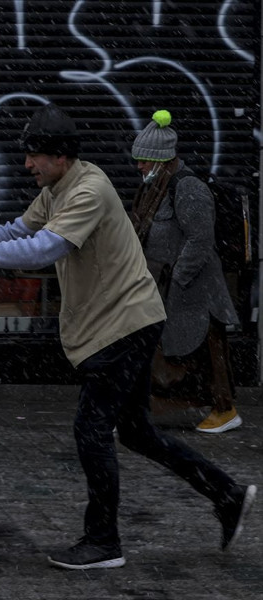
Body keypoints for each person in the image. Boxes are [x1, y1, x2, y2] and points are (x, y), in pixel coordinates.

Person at [0, 103, 256, 570]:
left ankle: (104, 541)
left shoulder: (89, 189)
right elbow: (20, 229)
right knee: (138, 433)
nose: (27, 165)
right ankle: (227, 494)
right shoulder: (57, 187)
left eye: (35, 156)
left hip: (123, 325)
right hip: (122, 323)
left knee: (92, 428)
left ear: (61, 156)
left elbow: (45, 248)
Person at [129, 110, 242, 434]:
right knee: (171, 352)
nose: (139, 166)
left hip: (196, 292)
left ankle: (225, 410)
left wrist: (178, 277)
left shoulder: (187, 187)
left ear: (162, 160)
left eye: (144, 160)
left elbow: (201, 239)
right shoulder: (156, 187)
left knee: (207, 354)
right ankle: (142, 407)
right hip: (170, 289)